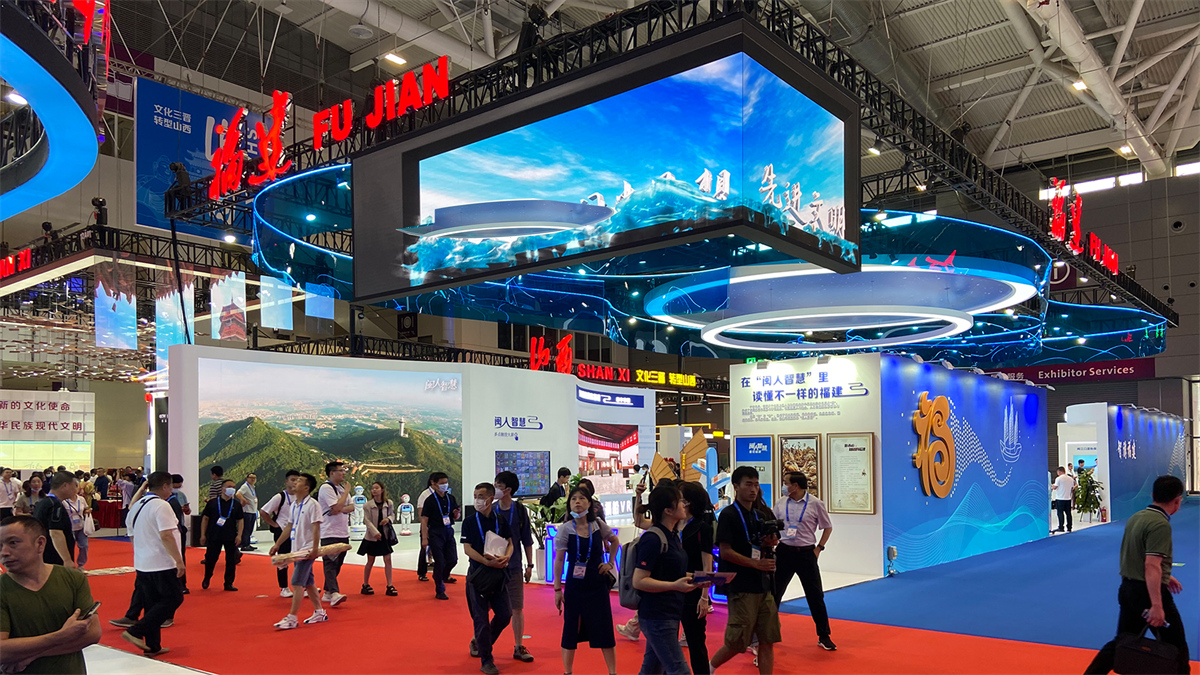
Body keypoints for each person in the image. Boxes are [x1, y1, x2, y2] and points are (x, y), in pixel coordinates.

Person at [1085, 475, 1189, 675]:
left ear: (1153, 495)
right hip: (1147, 594)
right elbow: (1151, 565)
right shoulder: (1160, 524)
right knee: (1177, 647)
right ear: (1177, 500)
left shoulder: (1137, 517)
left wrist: (1165, 575)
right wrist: (1157, 605)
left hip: (1128, 589)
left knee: (1122, 641)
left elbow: (1135, 556)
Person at [0, 516, 101, 674]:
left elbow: (92, 633)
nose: (4, 552)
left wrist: (33, 655)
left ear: (40, 543)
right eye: (0, 546)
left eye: (13, 543)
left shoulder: (72, 578)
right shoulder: (2, 588)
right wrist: (60, 636)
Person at [710, 466, 781, 675]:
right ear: (736, 486)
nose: (753, 489)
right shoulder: (728, 515)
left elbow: (757, 544)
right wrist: (754, 563)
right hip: (741, 586)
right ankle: (709, 668)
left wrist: (768, 543)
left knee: (768, 639)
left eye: (756, 484)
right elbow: (725, 552)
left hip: (763, 584)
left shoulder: (758, 515)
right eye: (748, 484)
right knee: (737, 641)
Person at [634, 482, 703, 675]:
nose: (684, 504)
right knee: (679, 670)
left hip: (669, 612)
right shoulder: (653, 539)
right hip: (657, 615)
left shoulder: (672, 536)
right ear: (668, 510)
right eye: (680, 501)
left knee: (652, 669)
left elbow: (670, 572)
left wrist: (695, 578)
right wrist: (675, 585)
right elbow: (639, 580)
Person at [553, 487, 620, 675]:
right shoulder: (565, 529)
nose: (577, 502)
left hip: (597, 584)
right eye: (573, 499)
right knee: (571, 629)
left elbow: (615, 541)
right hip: (575, 586)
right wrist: (557, 589)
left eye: (582, 498)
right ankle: (568, 672)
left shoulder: (597, 524)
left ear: (589, 503)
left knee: (604, 628)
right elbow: (559, 561)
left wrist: (610, 563)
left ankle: (613, 672)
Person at [122, 471, 185, 657]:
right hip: (161, 563)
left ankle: (152, 646)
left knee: (151, 603)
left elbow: (132, 536)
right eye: (170, 486)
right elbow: (166, 535)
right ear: (165, 486)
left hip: (143, 563)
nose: (171, 490)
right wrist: (179, 560)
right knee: (174, 598)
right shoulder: (161, 505)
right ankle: (135, 631)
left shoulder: (136, 505)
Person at [772, 472, 836, 651]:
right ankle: (765, 634)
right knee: (774, 594)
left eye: (786, 483)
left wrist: (819, 548)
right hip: (784, 552)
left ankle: (824, 636)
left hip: (806, 553)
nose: (784, 486)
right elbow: (773, 524)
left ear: (796, 486)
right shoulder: (780, 503)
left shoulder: (815, 503)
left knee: (815, 595)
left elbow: (827, 527)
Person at [461, 482, 514, 675]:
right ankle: (487, 660)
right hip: (478, 575)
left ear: (491, 499)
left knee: (505, 615)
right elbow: (467, 549)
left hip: (498, 574)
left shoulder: (500, 520)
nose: (477, 500)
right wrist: (485, 561)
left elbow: (510, 543)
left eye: (481, 496)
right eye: (476, 496)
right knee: (480, 619)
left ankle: (482, 643)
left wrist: (507, 557)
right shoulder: (469, 521)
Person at [270, 473, 327, 630]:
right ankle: (320, 612)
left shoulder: (313, 505)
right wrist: (277, 544)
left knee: (296, 583)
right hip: (296, 548)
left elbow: (316, 528)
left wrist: (314, 549)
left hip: (306, 551)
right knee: (309, 583)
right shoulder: (294, 504)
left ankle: (292, 618)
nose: (295, 482)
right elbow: (289, 526)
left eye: (299, 481)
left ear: (306, 488)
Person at [493, 471, 535, 663]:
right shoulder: (491, 509)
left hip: (514, 565)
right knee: (486, 607)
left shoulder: (519, 510)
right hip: (492, 566)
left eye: (498, 485)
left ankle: (519, 646)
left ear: (508, 489)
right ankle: (480, 640)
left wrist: (530, 565)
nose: (495, 488)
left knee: (517, 607)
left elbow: (527, 539)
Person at [679, 481, 716, 672]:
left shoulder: (702, 528)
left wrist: (704, 597)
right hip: (671, 589)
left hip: (693, 590)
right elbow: (639, 522)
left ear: (688, 502)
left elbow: (706, 565)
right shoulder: (672, 525)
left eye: (680, 498)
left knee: (696, 643)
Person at [317, 462, 355, 606]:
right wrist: (346, 493)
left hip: (342, 531)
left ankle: (328, 592)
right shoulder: (326, 488)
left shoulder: (340, 488)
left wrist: (340, 508)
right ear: (332, 473)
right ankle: (334, 593)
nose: (344, 473)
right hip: (329, 532)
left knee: (338, 562)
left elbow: (351, 507)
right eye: (340, 471)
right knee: (330, 562)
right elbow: (337, 506)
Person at [260, 470, 299, 597]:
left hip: (298, 533)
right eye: (292, 479)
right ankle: (284, 588)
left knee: (300, 559)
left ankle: (302, 586)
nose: (295, 482)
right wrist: (274, 524)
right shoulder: (280, 497)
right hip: (282, 532)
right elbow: (263, 511)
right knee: (283, 560)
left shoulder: (301, 497)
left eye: (298, 480)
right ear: (286, 481)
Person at [421, 471, 460, 600]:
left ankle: (442, 575)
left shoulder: (451, 498)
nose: (444, 485)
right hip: (435, 532)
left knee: (453, 559)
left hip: (448, 530)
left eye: (446, 483)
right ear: (434, 484)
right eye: (442, 483)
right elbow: (424, 520)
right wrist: (424, 538)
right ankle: (440, 589)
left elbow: (455, 516)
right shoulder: (430, 500)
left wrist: (456, 513)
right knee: (440, 561)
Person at [200, 479, 244, 591]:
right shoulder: (213, 503)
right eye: (229, 486)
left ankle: (228, 583)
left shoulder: (236, 504)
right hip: (214, 535)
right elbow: (205, 519)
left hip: (231, 536)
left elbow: (240, 520)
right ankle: (207, 577)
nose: (232, 489)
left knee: (231, 561)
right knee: (211, 559)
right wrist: (203, 535)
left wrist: (239, 535)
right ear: (223, 489)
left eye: (233, 487)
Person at [359, 481, 397, 596]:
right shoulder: (367, 505)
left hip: (385, 535)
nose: (374, 490)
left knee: (388, 560)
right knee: (370, 560)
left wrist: (388, 519)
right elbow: (367, 521)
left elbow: (392, 514)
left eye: (376, 488)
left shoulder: (388, 503)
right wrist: (375, 532)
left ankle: (390, 585)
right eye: (372, 488)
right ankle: (365, 584)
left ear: (382, 490)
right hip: (372, 536)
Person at [33, 471, 78, 567]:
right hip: (53, 558)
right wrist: (67, 560)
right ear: (65, 485)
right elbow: (55, 533)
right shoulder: (55, 505)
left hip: (42, 554)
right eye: (75, 485)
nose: (76, 489)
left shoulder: (43, 502)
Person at [416, 474, 436, 582]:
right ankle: (422, 572)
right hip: (427, 527)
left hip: (439, 527)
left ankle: (443, 573)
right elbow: (421, 514)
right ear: (433, 482)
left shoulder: (443, 494)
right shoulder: (425, 495)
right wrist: (425, 527)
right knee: (425, 549)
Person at [67, 487, 91, 570]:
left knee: (84, 545)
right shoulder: (64, 501)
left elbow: (85, 509)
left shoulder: (81, 499)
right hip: (69, 526)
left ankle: (81, 564)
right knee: (70, 547)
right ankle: (70, 564)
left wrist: (87, 511)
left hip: (81, 526)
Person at [236, 473, 259, 551]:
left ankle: (247, 543)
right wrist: (244, 500)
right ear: (247, 478)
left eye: (254, 478)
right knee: (246, 529)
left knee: (249, 529)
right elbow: (238, 494)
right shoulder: (245, 486)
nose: (253, 479)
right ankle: (244, 545)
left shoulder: (252, 487)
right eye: (251, 477)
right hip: (247, 511)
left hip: (252, 511)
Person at [1052, 466, 1076, 534]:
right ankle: (1069, 527)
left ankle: (1061, 527)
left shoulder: (1058, 478)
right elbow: (1072, 487)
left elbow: (1055, 487)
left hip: (1060, 498)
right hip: (1068, 498)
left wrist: (1051, 485)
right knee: (1068, 513)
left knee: (1060, 513)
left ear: (1059, 472)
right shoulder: (1070, 479)